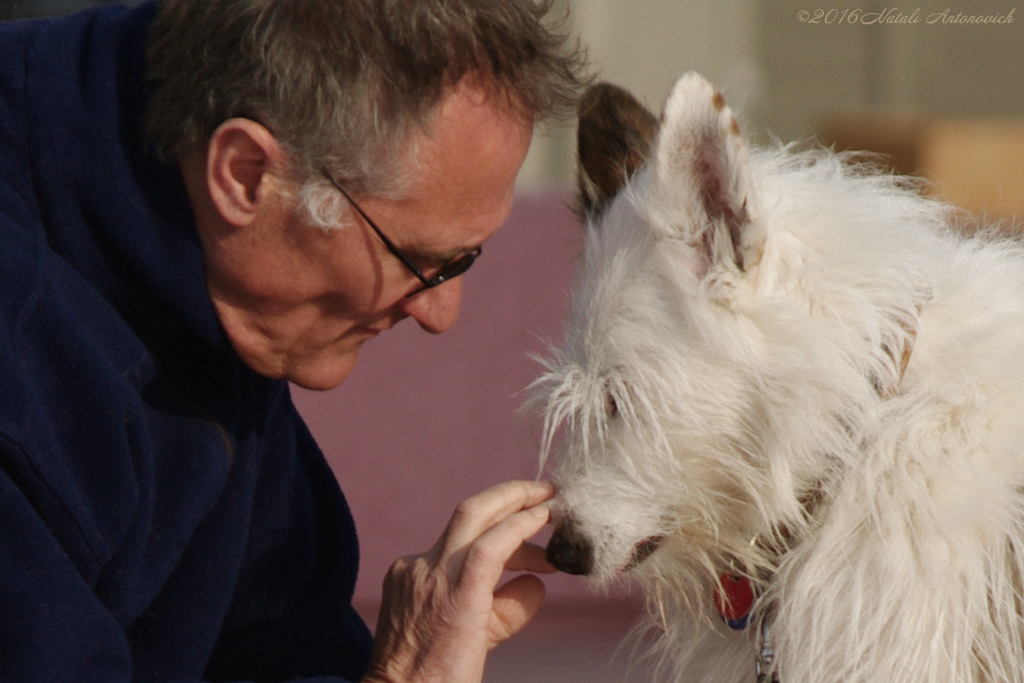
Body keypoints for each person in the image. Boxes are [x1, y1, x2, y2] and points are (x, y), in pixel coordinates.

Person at [0, 0, 588, 681]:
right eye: (420, 259)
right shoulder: (23, 367)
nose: (441, 311)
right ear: (246, 174)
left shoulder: (206, 252)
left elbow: (276, 640)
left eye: (464, 260)